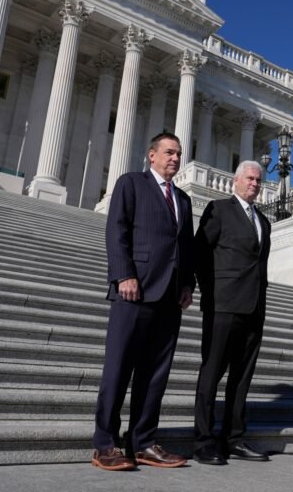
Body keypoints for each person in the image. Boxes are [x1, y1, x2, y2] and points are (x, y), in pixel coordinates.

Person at [91, 132, 195, 471]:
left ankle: (144, 442)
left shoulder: (183, 198)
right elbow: (116, 229)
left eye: (178, 154)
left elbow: (186, 247)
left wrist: (187, 284)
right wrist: (124, 274)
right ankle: (105, 444)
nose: (175, 159)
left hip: (169, 296)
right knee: (119, 369)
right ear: (151, 155)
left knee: (155, 375)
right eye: (169, 152)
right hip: (133, 290)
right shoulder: (131, 183)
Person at [192, 161, 272, 465]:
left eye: (258, 180)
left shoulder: (263, 222)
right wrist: (208, 292)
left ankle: (234, 438)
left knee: (242, 378)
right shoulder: (220, 209)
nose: (255, 183)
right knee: (211, 374)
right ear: (236, 181)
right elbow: (200, 252)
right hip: (222, 305)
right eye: (250, 178)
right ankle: (203, 440)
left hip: (254, 308)